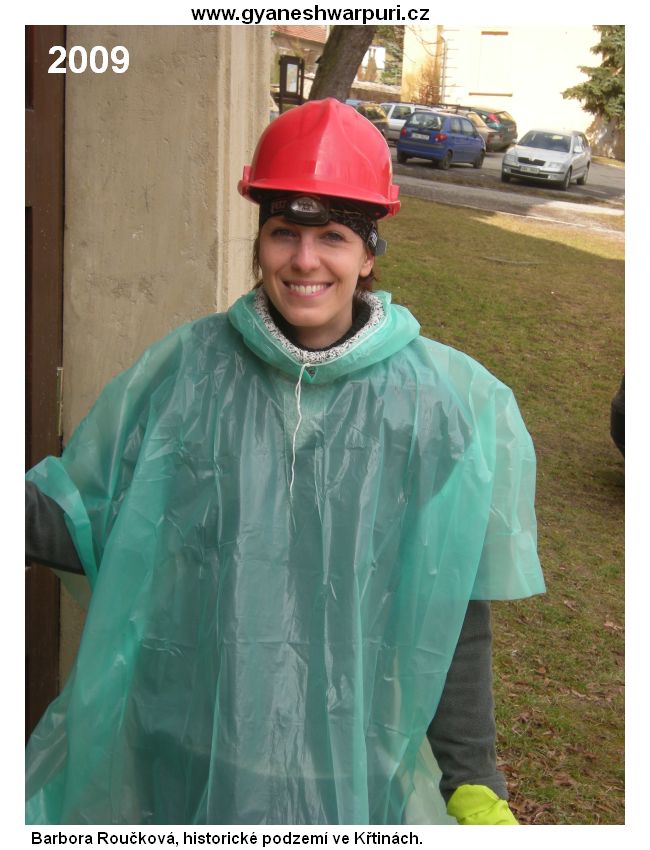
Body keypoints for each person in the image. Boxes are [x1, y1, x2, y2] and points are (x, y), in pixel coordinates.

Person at [25, 98, 545, 825]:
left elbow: (451, 608)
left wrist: (472, 775)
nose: (305, 260)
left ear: (368, 254)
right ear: (260, 244)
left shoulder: (435, 406)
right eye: (284, 233)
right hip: (188, 743)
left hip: (347, 763)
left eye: (332, 235)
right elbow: (96, 520)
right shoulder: (190, 373)